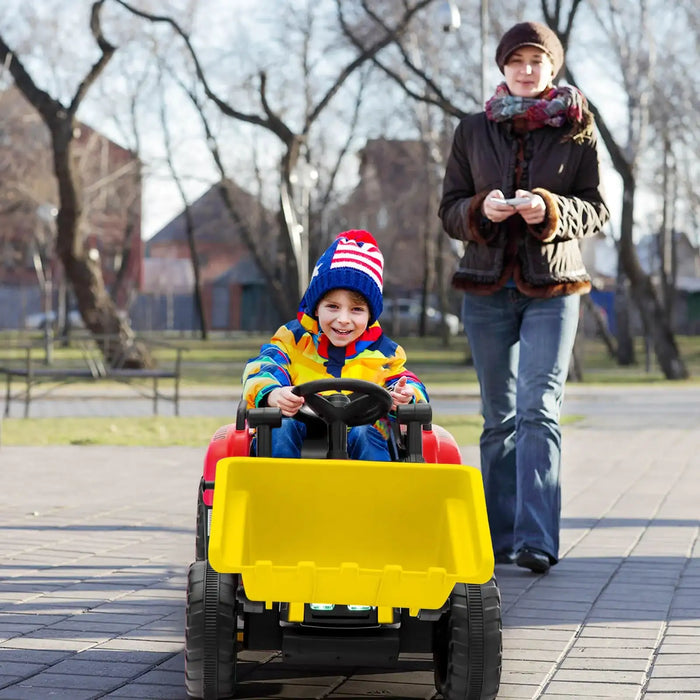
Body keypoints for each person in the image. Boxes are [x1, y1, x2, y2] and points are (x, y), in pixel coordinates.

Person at [439, 21, 609, 573]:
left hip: (554, 288)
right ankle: (498, 539)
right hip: (486, 290)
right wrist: (478, 211)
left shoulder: (578, 128)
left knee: (540, 409)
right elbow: (449, 210)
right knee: (498, 419)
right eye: (516, 61)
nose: (526, 70)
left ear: (552, 67)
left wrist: (552, 209)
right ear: (502, 68)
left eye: (537, 61)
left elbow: (598, 209)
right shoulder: (471, 130)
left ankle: (537, 541)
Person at [242, 229, 428, 461]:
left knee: (366, 434)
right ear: (316, 306)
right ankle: (279, 493)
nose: (343, 319)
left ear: (371, 315)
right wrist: (272, 393)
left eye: (356, 309)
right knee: (280, 428)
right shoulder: (293, 340)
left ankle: (378, 495)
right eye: (332, 307)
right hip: (299, 430)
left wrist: (406, 394)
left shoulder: (385, 353)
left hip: (361, 433)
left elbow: (407, 381)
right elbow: (263, 367)